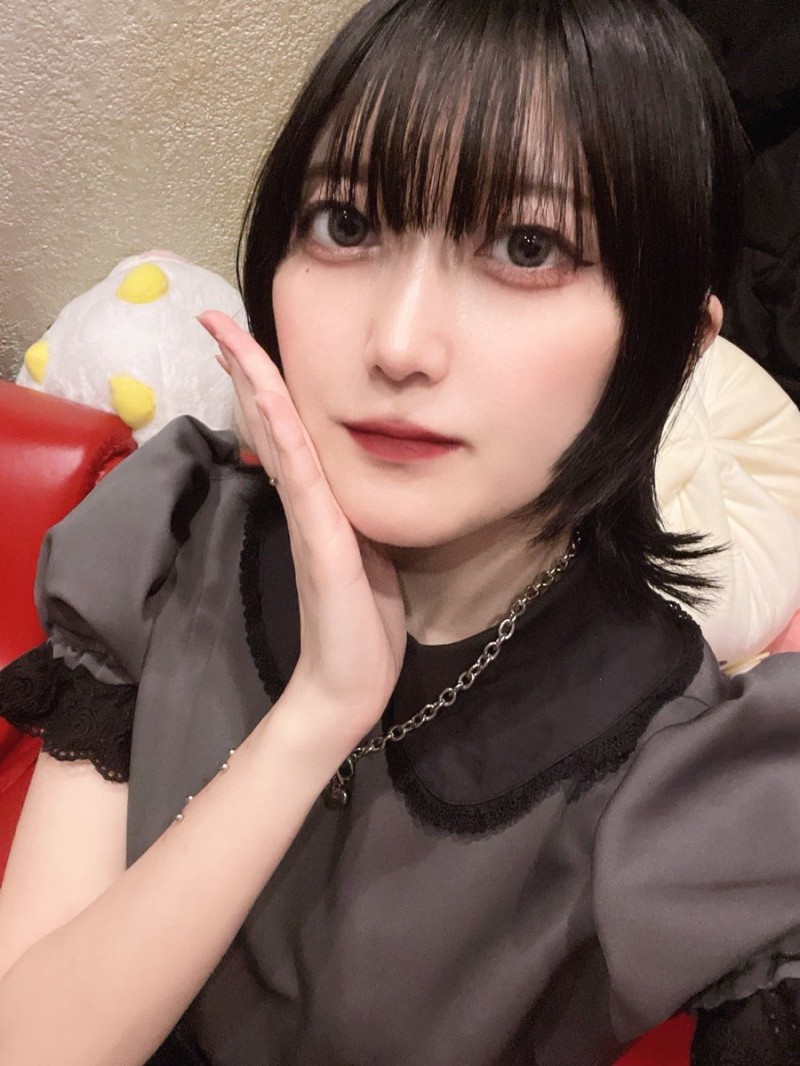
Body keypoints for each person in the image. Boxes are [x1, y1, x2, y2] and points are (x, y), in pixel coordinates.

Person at [0, 1, 798, 1063]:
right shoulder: (168, 538)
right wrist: (317, 713)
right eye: (345, 224)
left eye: (527, 246)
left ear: (675, 346)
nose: (399, 343)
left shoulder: (684, 762)